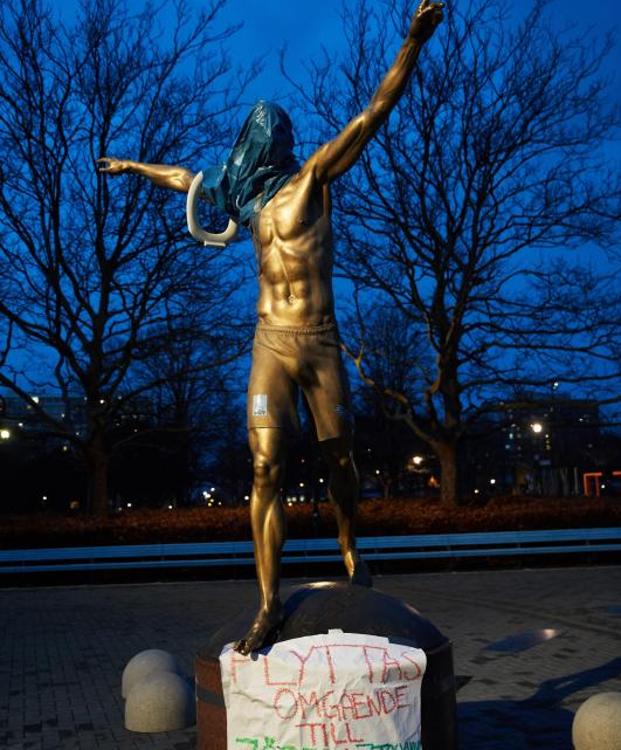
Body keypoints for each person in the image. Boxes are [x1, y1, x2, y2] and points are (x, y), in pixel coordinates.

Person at [98, 0, 444, 654]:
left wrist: (412, 42)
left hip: (319, 344)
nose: (252, 148)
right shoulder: (249, 200)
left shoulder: (313, 177)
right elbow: (187, 184)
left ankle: (348, 542)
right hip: (269, 344)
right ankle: (265, 604)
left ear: (278, 143)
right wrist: (131, 167)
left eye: (262, 137)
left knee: (338, 454)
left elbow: (373, 112)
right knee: (263, 468)